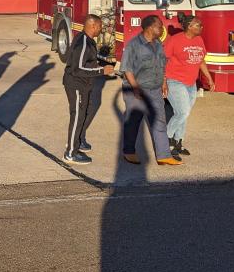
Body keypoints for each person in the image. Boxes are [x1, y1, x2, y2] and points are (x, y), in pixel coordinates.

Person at [119, 15, 182, 166]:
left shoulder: (158, 43)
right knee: (134, 122)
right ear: (150, 28)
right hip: (136, 89)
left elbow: (161, 64)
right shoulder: (133, 45)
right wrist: (135, 88)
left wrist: (164, 82)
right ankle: (129, 152)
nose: (162, 29)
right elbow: (127, 69)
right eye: (159, 26)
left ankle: (163, 155)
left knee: (159, 121)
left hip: (154, 89)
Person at [63, 15, 116, 165]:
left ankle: (77, 142)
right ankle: (70, 153)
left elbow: (88, 62)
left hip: (84, 84)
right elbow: (77, 68)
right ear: (92, 26)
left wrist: (104, 64)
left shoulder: (87, 39)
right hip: (76, 84)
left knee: (84, 113)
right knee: (77, 117)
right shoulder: (83, 43)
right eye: (100, 26)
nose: (101, 29)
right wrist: (101, 71)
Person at [164, 15, 214, 160]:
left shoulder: (199, 40)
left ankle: (179, 142)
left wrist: (209, 79)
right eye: (198, 25)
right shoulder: (175, 40)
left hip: (191, 83)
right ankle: (167, 141)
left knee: (183, 114)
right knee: (183, 112)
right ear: (189, 26)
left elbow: (201, 61)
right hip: (175, 81)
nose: (201, 27)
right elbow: (163, 60)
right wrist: (163, 81)